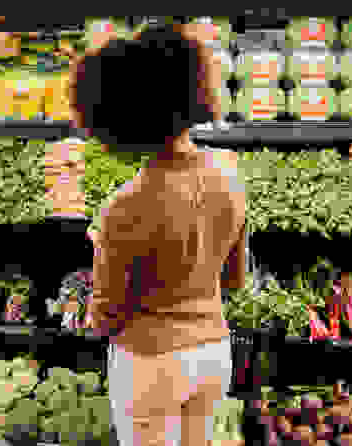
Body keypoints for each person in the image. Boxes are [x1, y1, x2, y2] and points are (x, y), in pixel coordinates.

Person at [70, 23, 246, 446]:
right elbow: (234, 281)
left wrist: (103, 253)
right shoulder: (229, 179)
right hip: (213, 354)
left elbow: (106, 317)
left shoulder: (125, 205)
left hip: (150, 362)